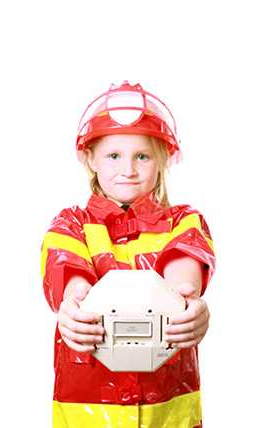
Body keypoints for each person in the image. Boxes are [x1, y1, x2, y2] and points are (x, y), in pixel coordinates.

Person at [41, 81, 216, 428]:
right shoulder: (71, 224)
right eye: (114, 155)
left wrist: (190, 308)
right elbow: (73, 286)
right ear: (90, 157)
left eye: (142, 155)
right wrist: (73, 310)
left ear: (163, 157)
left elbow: (182, 286)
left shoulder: (184, 222)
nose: (129, 169)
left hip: (166, 412)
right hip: (89, 409)